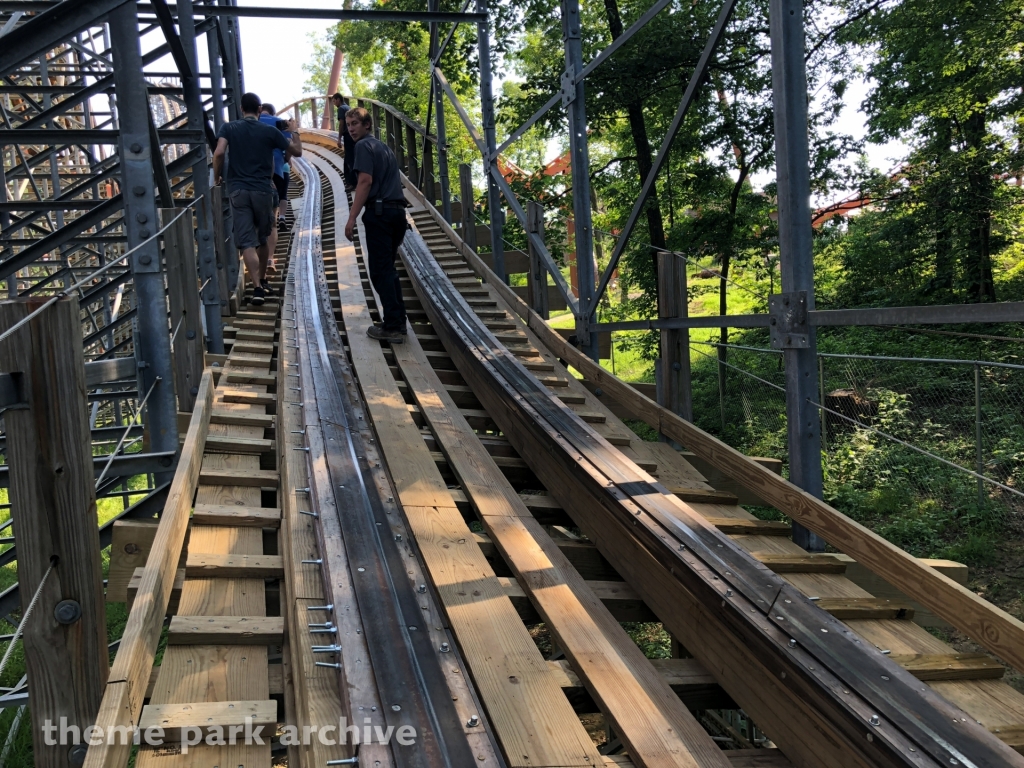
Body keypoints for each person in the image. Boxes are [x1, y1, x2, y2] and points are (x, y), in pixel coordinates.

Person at [214, 92, 302, 306]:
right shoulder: (270, 131)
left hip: (238, 191)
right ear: (260, 108)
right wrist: (294, 131)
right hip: (264, 189)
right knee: (263, 238)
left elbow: (218, 153)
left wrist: (217, 176)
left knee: (246, 242)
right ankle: (263, 280)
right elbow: (297, 152)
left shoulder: (229, 128)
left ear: (242, 109)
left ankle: (257, 288)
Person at [343, 107, 408, 343]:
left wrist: (351, 217)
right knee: (388, 270)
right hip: (397, 213)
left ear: (367, 125)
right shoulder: (385, 148)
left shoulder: (362, 147)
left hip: (380, 214)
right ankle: (398, 323)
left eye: (355, 124)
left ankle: (392, 326)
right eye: (348, 124)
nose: (350, 129)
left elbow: (365, 181)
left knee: (380, 271)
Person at [258, 103, 294, 235]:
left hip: (256, 171)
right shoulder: (279, 123)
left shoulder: (254, 121)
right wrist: (286, 158)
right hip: (279, 168)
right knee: (281, 195)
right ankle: (280, 219)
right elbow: (291, 147)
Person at [331, 93, 357, 189]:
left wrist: (339, 138)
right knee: (350, 158)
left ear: (338, 99)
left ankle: (352, 183)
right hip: (353, 135)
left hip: (348, 136)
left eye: (334, 101)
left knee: (349, 160)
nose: (334, 103)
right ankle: (353, 182)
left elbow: (342, 124)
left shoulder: (341, 109)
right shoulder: (348, 107)